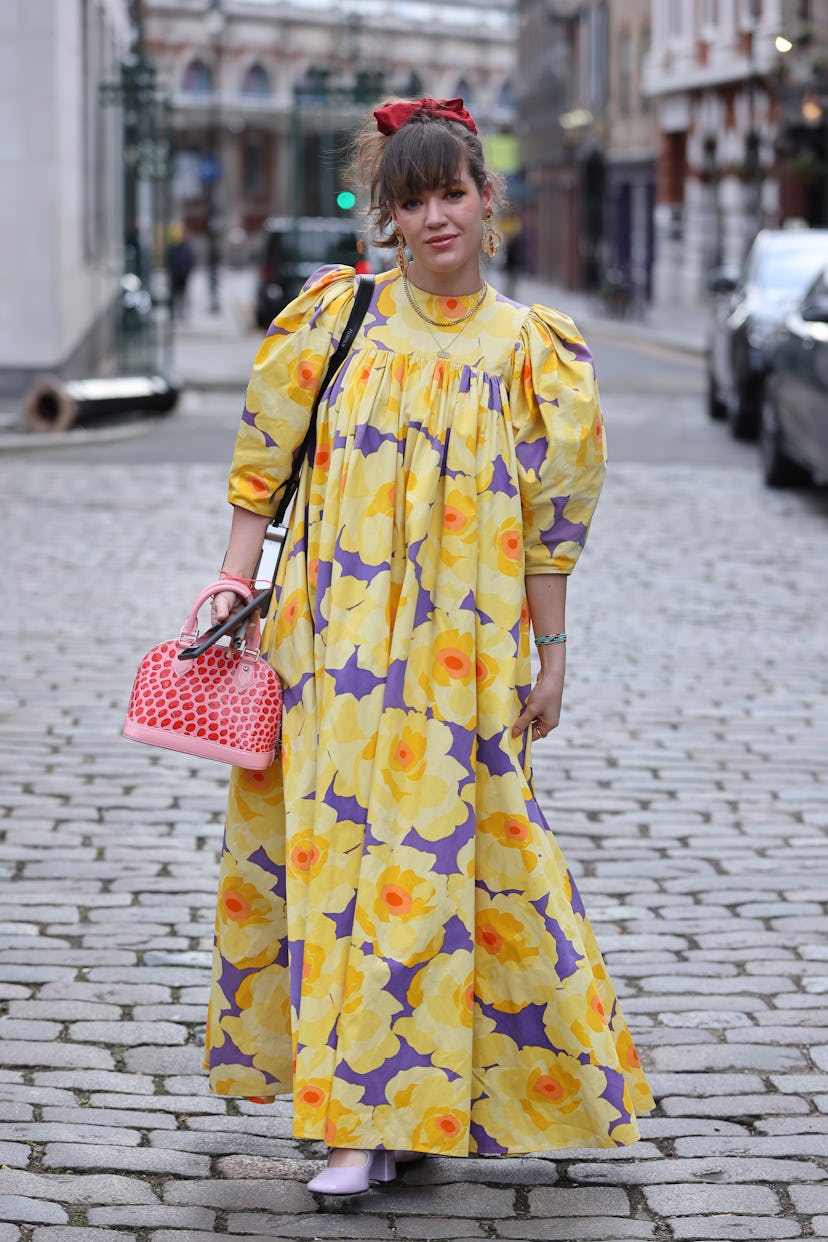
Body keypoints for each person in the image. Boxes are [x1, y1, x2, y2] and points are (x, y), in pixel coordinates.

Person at [204, 95, 654, 1195]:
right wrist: (229, 579)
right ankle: (363, 1124)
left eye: (452, 192)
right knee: (346, 868)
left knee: (454, 869)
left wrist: (554, 655)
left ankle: (414, 1107)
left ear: (488, 199)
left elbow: (556, 523)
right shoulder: (337, 320)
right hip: (333, 642)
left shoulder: (535, 352)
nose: (435, 216)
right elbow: (264, 456)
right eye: (413, 200)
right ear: (389, 216)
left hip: (466, 651)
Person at [167, 222, 195, 322]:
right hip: (177, 275)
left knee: (181, 295)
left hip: (182, 275)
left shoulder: (184, 248)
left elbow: (190, 261)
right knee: (177, 296)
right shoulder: (176, 248)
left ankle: (181, 314)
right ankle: (177, 314)